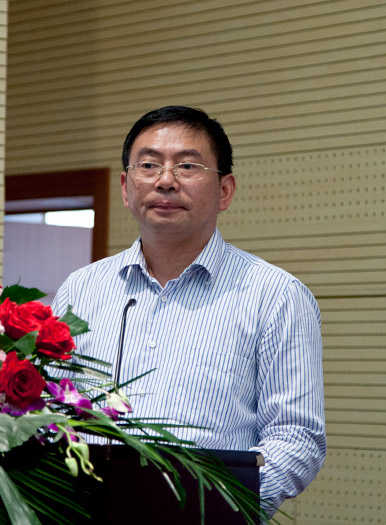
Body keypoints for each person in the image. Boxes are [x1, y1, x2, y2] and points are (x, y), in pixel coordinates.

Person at [51, 105, 326, 514]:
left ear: (225, 191)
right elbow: (47, 408)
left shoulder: (276, 295)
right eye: (149, 165)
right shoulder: (81, 288)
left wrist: (218, 506)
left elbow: (296, 436)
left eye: (187, 166)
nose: (165, 181)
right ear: (126, 188)